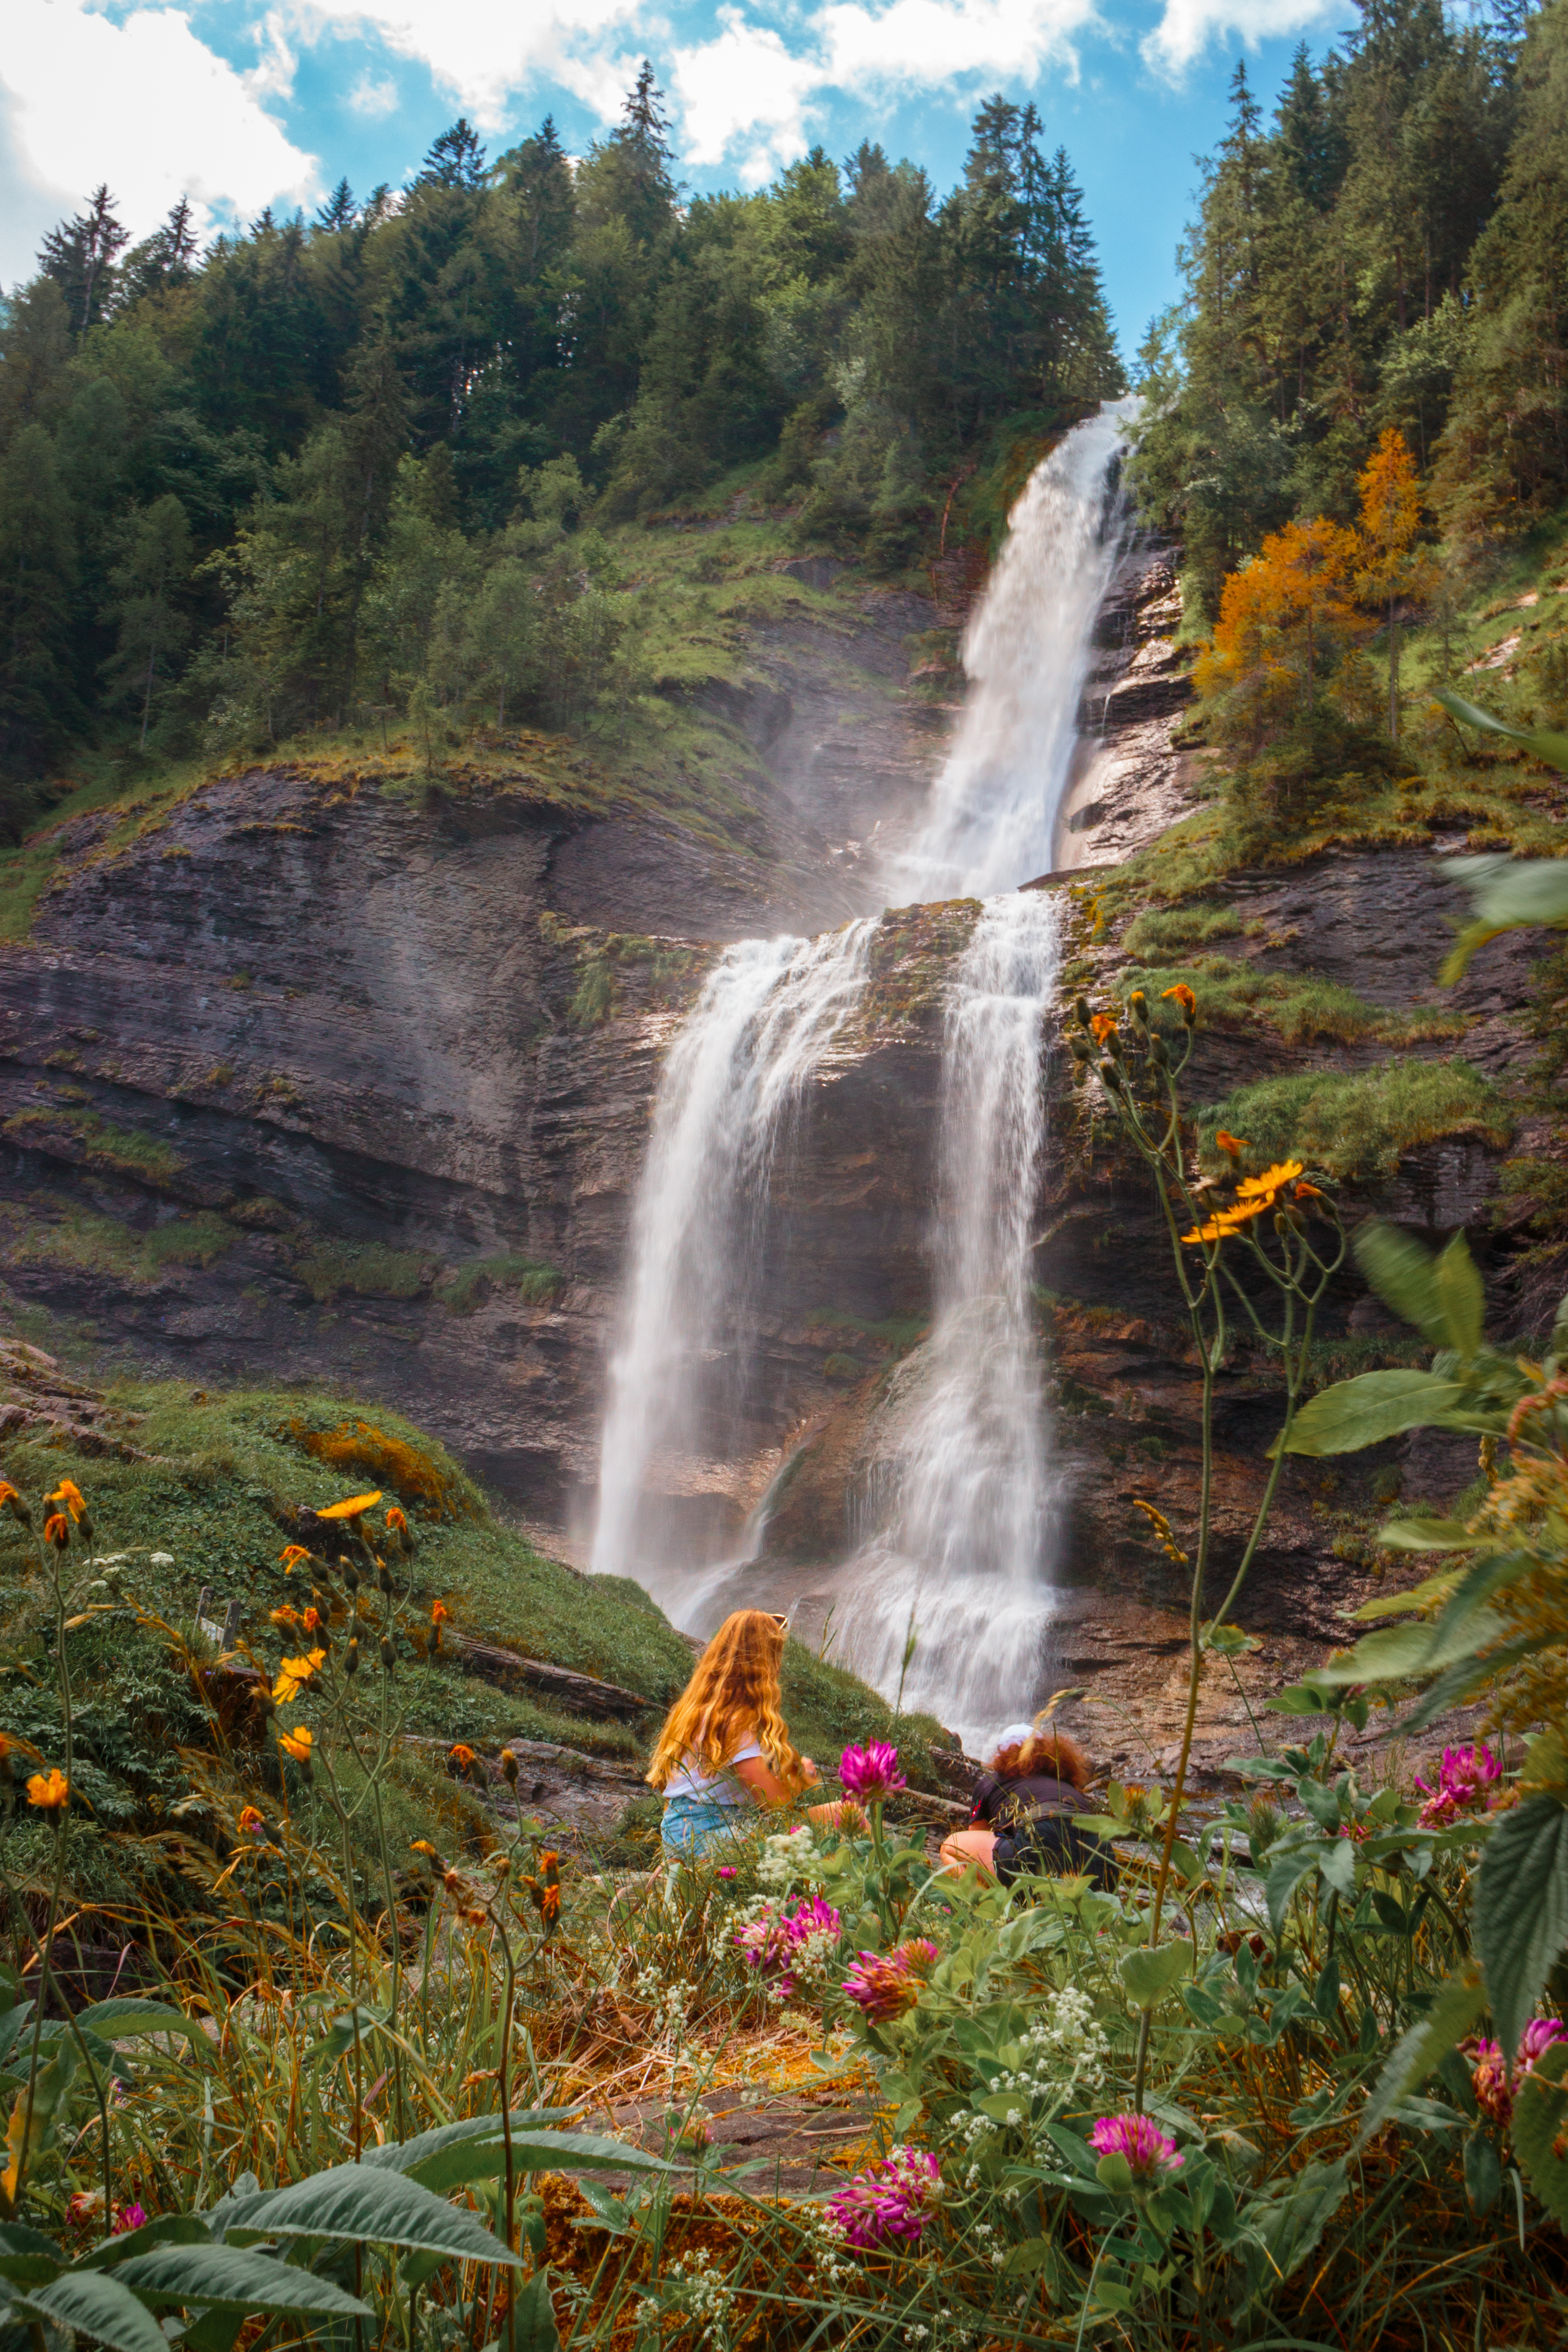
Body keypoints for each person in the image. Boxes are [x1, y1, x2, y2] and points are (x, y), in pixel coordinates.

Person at [646, 1608, 863, 1861]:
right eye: (776, 1655)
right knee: (849, 1815)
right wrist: (804, 1776)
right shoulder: (734, 1722)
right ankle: (864, 1895)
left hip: (684, 1832)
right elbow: (779, 1805)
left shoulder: (703, 1709)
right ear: (761, 1663)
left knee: (834, 1819)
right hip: (706, 1835)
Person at [938, 1720, 1113, 1889]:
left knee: (952, 1846)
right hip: (1101, 1853)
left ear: (1003, 1754)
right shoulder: (1064, 1786)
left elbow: (976, 1837)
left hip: (1040, 1839)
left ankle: (981, 1912)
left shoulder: (992, 1781)